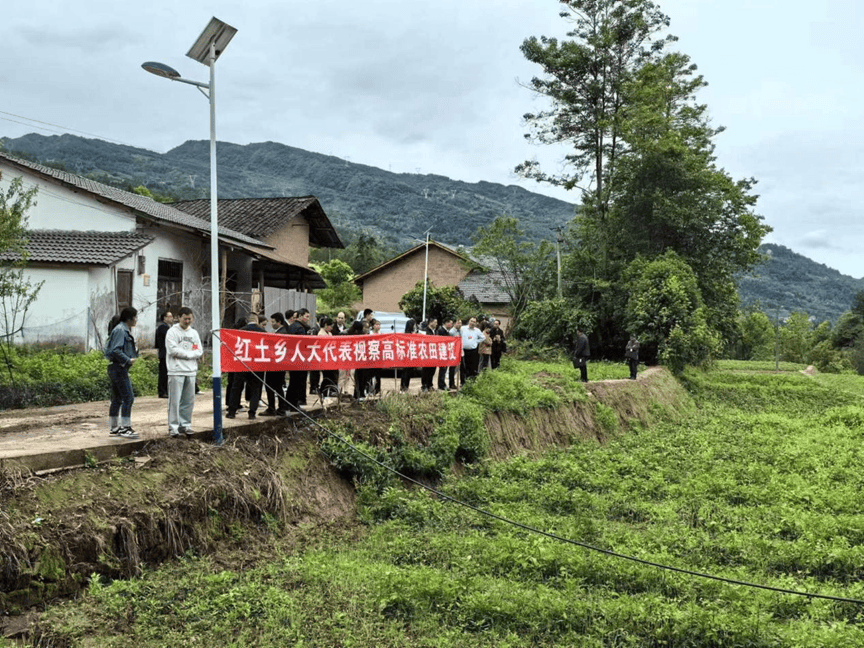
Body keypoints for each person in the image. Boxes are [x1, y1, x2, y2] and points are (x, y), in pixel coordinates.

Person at [165, 307, 204, 438]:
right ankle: (173, 427)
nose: (188, 321)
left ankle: (185, 425)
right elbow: (173, 350)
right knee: (175, 401)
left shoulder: (194, 333)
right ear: (179, 317)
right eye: (185, 318)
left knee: (188, 401)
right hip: (176, 370)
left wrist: (190, 355)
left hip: (191, 371)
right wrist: (189, 355)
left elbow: (199, 350)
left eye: (190, 319)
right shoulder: (172, 332)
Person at [105, 307, 140, 439]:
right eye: (135, 317)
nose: (136, 320)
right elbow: (116, 350)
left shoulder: (121, 329)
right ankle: (125, 428)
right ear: (130, 318)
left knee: (117, 399)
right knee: (128, 397)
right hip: (119, 368)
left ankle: (114, 428)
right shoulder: (121, 330)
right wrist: (128, 360)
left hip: (116, 368)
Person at [226, 313, 266, 419]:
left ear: (247, 320)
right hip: (257, 364)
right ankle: (252, 413)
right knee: (255, 389)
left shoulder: (240, 331)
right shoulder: (263, 332)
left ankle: (232, 412)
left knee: (236, 387)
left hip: (241, 363)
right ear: (257, 320)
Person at [261, 313, 289, 416]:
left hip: (275, 365)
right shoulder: (282, 331)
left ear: (279, 322)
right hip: (278, 365)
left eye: (273, 322)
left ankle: (273, 408)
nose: (272, 324)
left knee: (272, 386)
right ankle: (280, 407)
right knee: (277, 387)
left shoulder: (281, 333)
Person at [286, 308, 311, 411]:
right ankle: (294, 404)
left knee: (292, 382)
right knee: (297, 383)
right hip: (299, 359)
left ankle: (289, 403)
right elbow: (302, 345)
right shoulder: (300, 328)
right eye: (306, 316)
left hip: (291, 358)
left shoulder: (291, 326)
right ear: (300, 316)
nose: (308, 319)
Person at [317, 317, 339, 397]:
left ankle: (327, 390)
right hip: (324, 358)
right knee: (326, 376)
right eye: (330, 326)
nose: (332, 328)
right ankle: (322, 390)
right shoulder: (321, 334)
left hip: (330, 357)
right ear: (326, 325)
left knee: (331, 375)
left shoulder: (329, 333)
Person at [460, 317, 485, 381]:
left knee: (472, 366)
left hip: (473, 351)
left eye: (474, 322)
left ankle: (470, 380)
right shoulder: (463, 328)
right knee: (463, 367)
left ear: (476, 323)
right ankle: (463, 381)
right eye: (471, 321)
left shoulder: (477, 330)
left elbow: (483, 338)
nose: (472, 323)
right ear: (469, 321)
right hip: (463, 350)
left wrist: (476, 341)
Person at [155, 309, 173, 398]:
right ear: (164, 318)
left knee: (166, 373)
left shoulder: (166, 327)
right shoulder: (163, 328)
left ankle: (165, 391)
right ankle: (162, 391)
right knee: (163, 373)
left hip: (165, 353)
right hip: (164, 353)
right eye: (169, 316)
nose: (171, 318)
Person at [420, 317, 438, 392]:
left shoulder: (436, 331)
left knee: (432, 370)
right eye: (435, 322)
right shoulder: (425, 331)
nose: (436, 324)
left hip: (434, 353)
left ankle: (430, 385)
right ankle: (424, 385)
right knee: (426, 370)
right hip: (426, 353)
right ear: (431, 323)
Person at [437, 318, 454, 391]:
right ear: (446, 323)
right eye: (450, 323)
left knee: (444, 369)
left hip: (445, 352)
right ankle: (441, 385)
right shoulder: (441, 330)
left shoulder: (447, 331)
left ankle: (442, 383)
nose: (451, 325)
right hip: (441, 352)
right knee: (442, 369)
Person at [400, 318, 416, 392]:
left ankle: (405, 386)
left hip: (412, 355)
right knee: (406, 372)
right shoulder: (406, 335)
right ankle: (404, 386)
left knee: (409, 372)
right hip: (407, 355)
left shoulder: (413, 334)